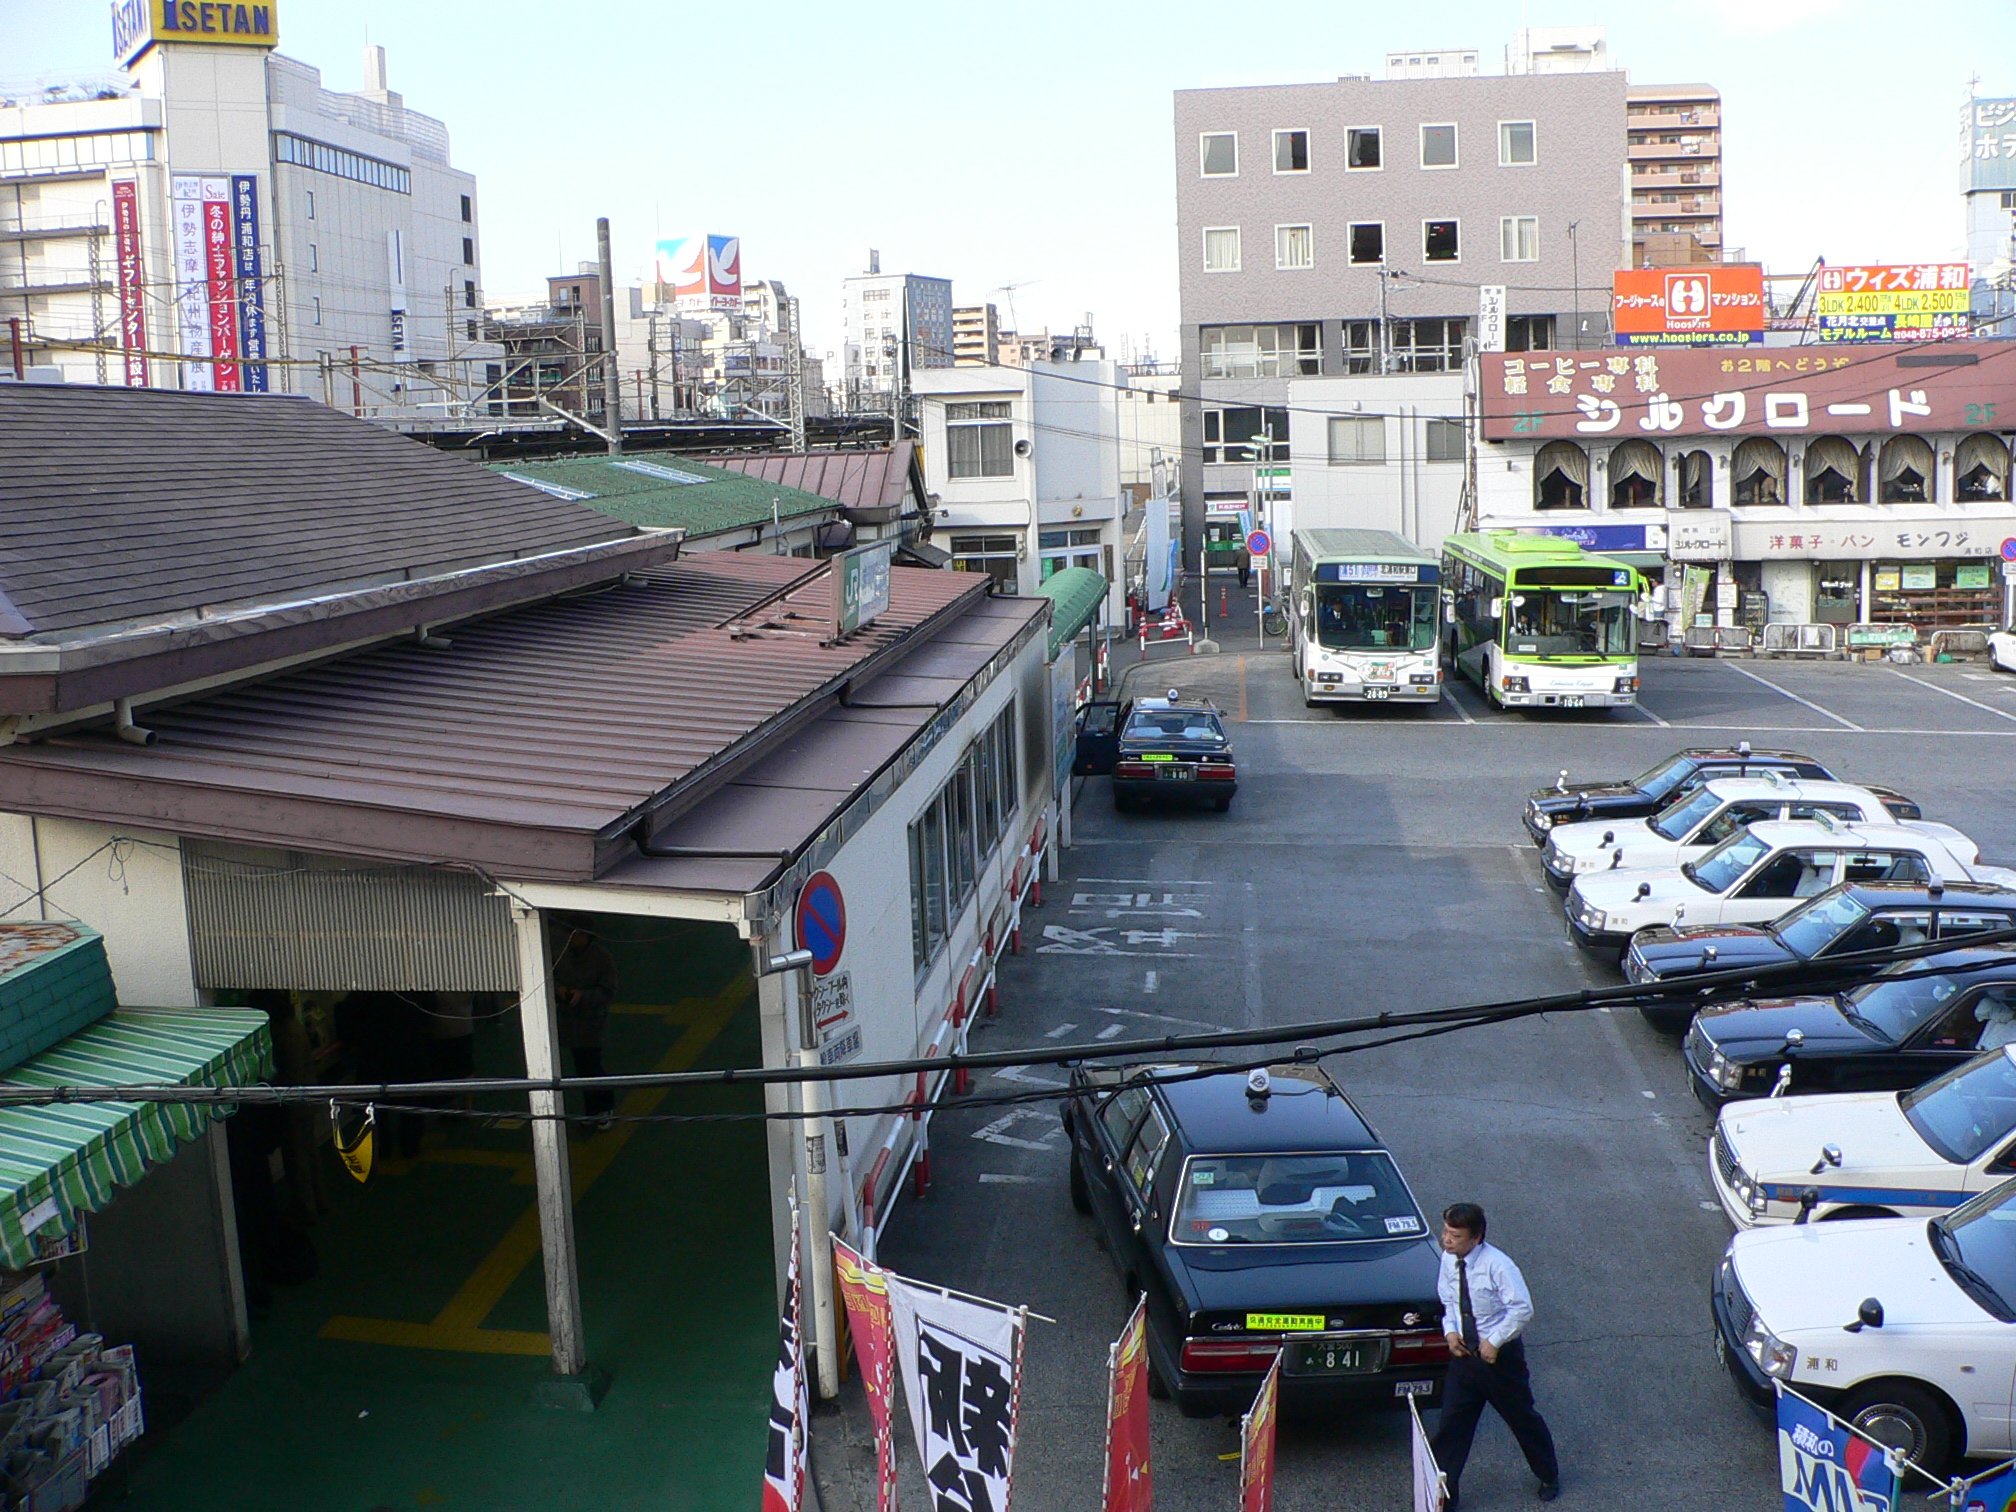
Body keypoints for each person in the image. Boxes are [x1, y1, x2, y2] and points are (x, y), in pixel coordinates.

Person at [1430, 1203, 1560, 1508]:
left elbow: (1522, 1308)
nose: (1446, 1240)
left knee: (1522, 1419)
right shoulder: (1449, 1260)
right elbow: (1448, 1300)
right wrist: (1450, 1332)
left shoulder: (1499, 1265)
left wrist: (1494, 1341)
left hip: (1500, 1362)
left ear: (1476, 1238)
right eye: (1446, 1231)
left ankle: (1548, 1474)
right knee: (1451, 1428)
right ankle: (1445, 1498)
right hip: (1464, 1359)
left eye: (1455, 1235)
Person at [552, 921, 619, 1131]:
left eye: (575, 933)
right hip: (570, 1020)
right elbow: (547, 977)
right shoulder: (562, 954)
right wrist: (559, 990)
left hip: (592, 1022)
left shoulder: (601, 958)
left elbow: (608, 991)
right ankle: (593, 1111)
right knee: (583, 1067)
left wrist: (584, 996)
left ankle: (603, 1108)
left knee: (592, 1066)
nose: (570, 938)